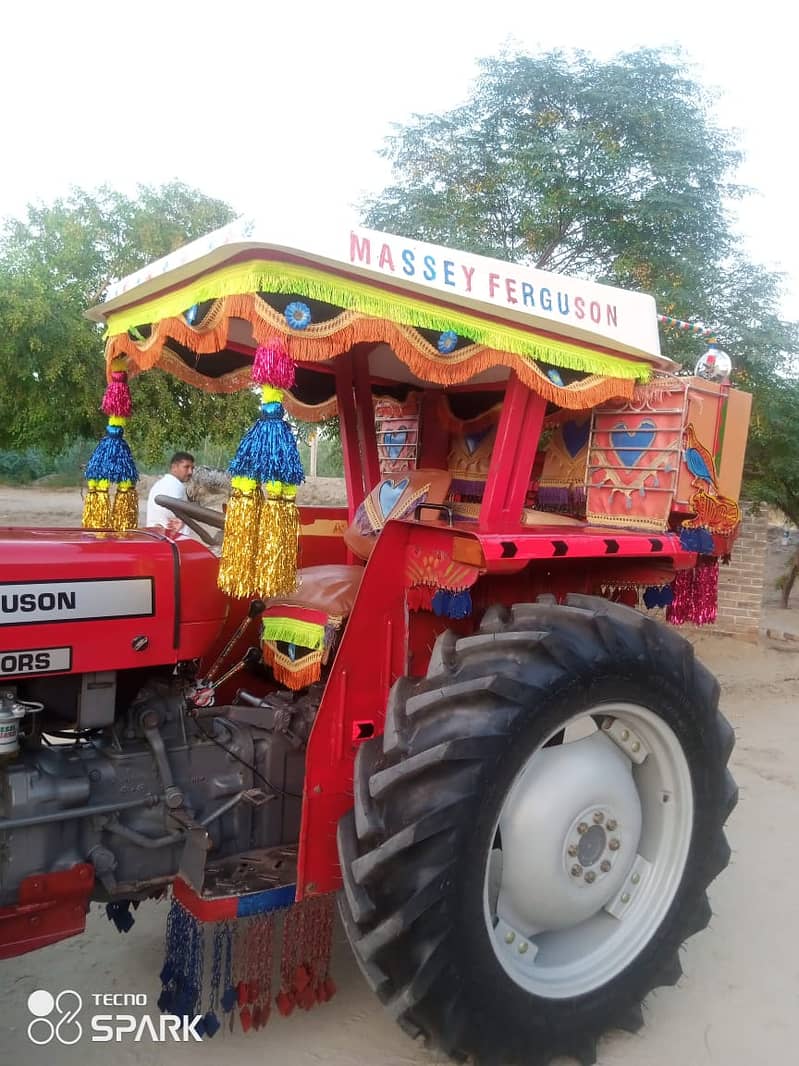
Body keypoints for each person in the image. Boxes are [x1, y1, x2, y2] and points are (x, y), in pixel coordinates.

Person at [145, 452, 195, 533]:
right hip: (172, 539)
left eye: (192, 468)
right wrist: (182, 521)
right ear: (174, 467)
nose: (190, 472)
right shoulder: (175, 485)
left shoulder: (161, 483)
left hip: (155, 535)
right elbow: (177, 516)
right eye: (186, 467)